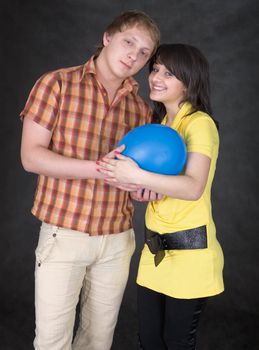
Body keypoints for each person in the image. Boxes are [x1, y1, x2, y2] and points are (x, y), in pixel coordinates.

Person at [20, 10, 160, 350]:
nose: (135, 56)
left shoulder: (140, 110)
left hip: (116, 240)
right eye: (129, 42)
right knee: (53, 342)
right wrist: (101, 168)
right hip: (63, 233)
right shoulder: (56, 84)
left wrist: (141, 188)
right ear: (107, 38)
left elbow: (133, 177)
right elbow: (31, 157)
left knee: (98, 341)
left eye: (145, 52)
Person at [98, 43, 224, 349]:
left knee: (176, 343)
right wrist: (145, 190)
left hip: (190, 256)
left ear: (189, 81)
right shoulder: (162, 125)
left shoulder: (200, 124)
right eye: (155, 69)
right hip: (155, 255)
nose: (156, 77)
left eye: (169, 73)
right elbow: (166, 185)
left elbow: (193, 187)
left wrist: (136, 175)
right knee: (150, 341)